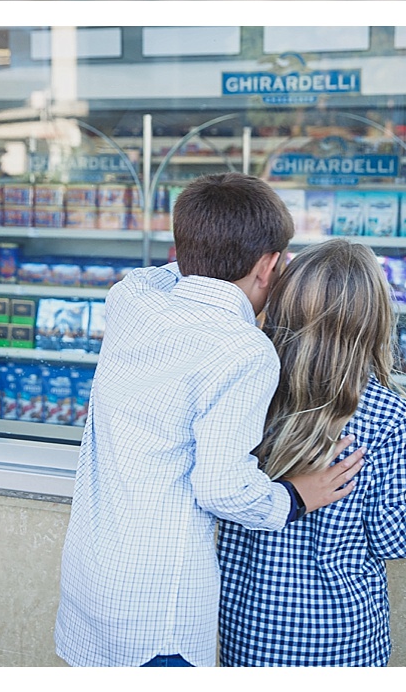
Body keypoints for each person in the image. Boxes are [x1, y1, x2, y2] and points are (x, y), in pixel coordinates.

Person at [53, 174, 365, 668]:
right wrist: (297, 496)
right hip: (158, 612)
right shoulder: (243, 350)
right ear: (269, 266)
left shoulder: (130, 299)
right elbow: (222, 489)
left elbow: (166, 272)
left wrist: (204, 246)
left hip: (92, 582)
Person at [217, 240, 406, 665]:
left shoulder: (249, 392)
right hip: (342, 638)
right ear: (375, 321)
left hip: (249, 630)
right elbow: (394, 536)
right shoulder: (388, 413)